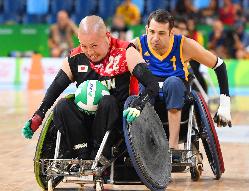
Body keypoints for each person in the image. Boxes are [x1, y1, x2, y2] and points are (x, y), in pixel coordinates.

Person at [22, 15, 159, 160]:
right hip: (85, 122)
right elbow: (56, 87)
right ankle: (81, 154)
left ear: (107, 36)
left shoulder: (125, 52)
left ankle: (98, 155)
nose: (90, 52)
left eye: (94, 45)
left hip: (116, 120)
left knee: (107, 101)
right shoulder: (75, 57)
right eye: (84, 46)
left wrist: (138, 105)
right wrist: (38, 115)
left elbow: (152, 85)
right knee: (62, 105)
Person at [131, 9, 232, 158]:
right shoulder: (136, 45)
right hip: (149, 97)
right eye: (151, 32)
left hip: (177, 96)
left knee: (172, 83)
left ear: (171, 33)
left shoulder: (184, 45)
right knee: (144, 84)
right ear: (146, 29)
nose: (155, 38)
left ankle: (173, 147)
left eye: (161, 33)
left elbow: (219, 65)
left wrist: (225, 104)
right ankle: (146, 145)